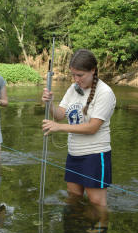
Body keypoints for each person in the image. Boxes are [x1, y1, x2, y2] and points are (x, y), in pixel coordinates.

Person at [42, 49, 116, 207]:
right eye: (73, 75)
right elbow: (59, 115)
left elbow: (92, 128)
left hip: (95, 156)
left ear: (93, 70)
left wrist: (59, 128)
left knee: (96, 203)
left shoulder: (105, 93)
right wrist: (50, 103)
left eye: (80, 75)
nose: (76, 79)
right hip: (74, 154)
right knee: (74, 198)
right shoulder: (72, 89)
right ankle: (77, 230)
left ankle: (99, 231)